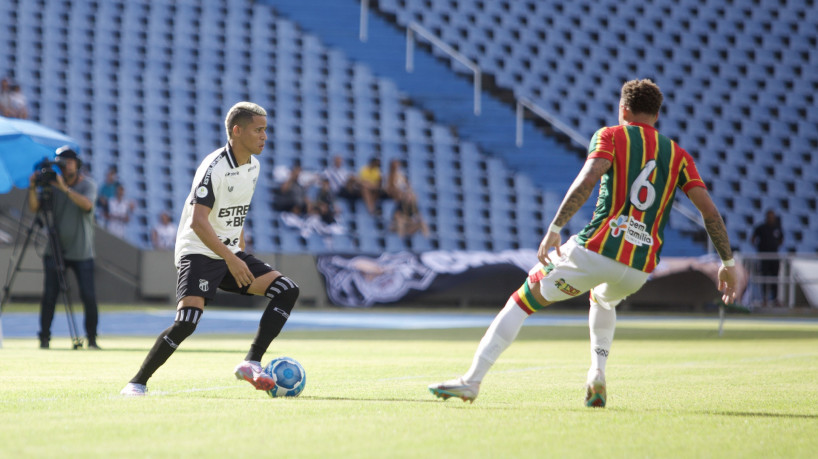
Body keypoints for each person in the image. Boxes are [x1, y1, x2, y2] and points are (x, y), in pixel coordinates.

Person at [428, 79, 739, 407]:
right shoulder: (678, 155)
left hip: (598, 248)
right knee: (603, 301)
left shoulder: (611, 135)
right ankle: (597, 373)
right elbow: (710, 213)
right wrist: (728, 263)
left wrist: (555, 226)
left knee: (521, 301)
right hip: (639, 267)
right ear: (657, 116)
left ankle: (471, 381)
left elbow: (589, 178)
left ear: (623, 110)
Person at [120, 102, 300, 396]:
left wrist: (240, 252)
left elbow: (236, 209)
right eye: (259, 130)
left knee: (287, 289)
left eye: (265, 130)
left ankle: (251, 363)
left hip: (229, 252)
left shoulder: (254, 166)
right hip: (199, 251)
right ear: (237, 131)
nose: (264, 136)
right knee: (187, 321)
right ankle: (136, 382)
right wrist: (232, 259)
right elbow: (198, 222)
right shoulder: (213, 167)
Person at [27, 146, 100, 349]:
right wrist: (33, 186)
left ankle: (92, 339)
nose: (66, 165)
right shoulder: (51, 185)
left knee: (88, 295)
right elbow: (34, 208)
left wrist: (64, 188)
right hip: (54, 250)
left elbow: (87, 205)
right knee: (49, 295)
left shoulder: (87, 185)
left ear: (77, 164)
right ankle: (44, 338)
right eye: (62, 162)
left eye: (70, 161)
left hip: (82, 251)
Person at [751, 209, 783, 305]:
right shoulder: (760, 228)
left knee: (775, 278)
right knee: (764, 277)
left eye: (772, 217)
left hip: (774, 256)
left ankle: (775, 299)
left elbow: (781, 239)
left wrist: (775, 246)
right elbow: (752, 239)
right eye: (769, 217)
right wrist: (759, 248)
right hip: (764, 257)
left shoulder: (777, 228)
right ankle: (764, 299)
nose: (771, 219)